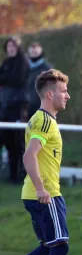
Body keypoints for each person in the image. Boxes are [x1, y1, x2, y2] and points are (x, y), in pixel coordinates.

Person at [0, 69, 72, 255]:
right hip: (44, 194)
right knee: (59, 247)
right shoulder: (43, 120)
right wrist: (42, 189)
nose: (68, 96)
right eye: (63, 91)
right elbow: (29, 155)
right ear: (50, 93)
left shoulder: (43, 120)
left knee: (48, 246)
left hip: (37, 193)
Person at [0, 36, 29, 184]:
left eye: (13, 47)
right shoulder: (6, 63)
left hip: (17, 106)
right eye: (8, 47)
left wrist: (5, 78)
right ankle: (10, 175)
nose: (10, 49)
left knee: (17, 142)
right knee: (6, 140)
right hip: (5, 105)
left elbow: (16, 79)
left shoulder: (22, 62)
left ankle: (19, 175)